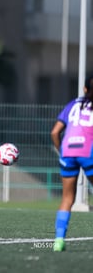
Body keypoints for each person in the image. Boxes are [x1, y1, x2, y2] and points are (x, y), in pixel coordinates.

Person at [51, 75, 93, 252]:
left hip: (68, 151)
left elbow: (55, 132)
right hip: (88, 151)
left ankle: (58, 240)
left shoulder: (72, 105)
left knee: (67, 198)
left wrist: (62, 152)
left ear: (84, 89)